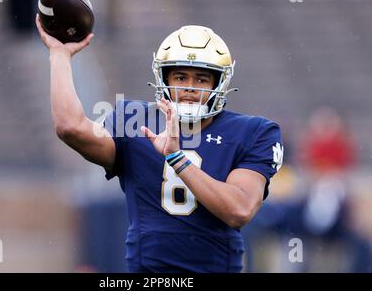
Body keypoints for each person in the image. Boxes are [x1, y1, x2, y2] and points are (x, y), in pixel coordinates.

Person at [36, 16, 284, 273]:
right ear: (164, 78)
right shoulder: (134, 120)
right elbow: (70, 128)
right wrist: (59, 55)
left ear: (218, 83)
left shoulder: (255, 132)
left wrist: (176, 158)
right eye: (180, 76)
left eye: (201, 79)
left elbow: (239, 209)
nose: (189, 88)